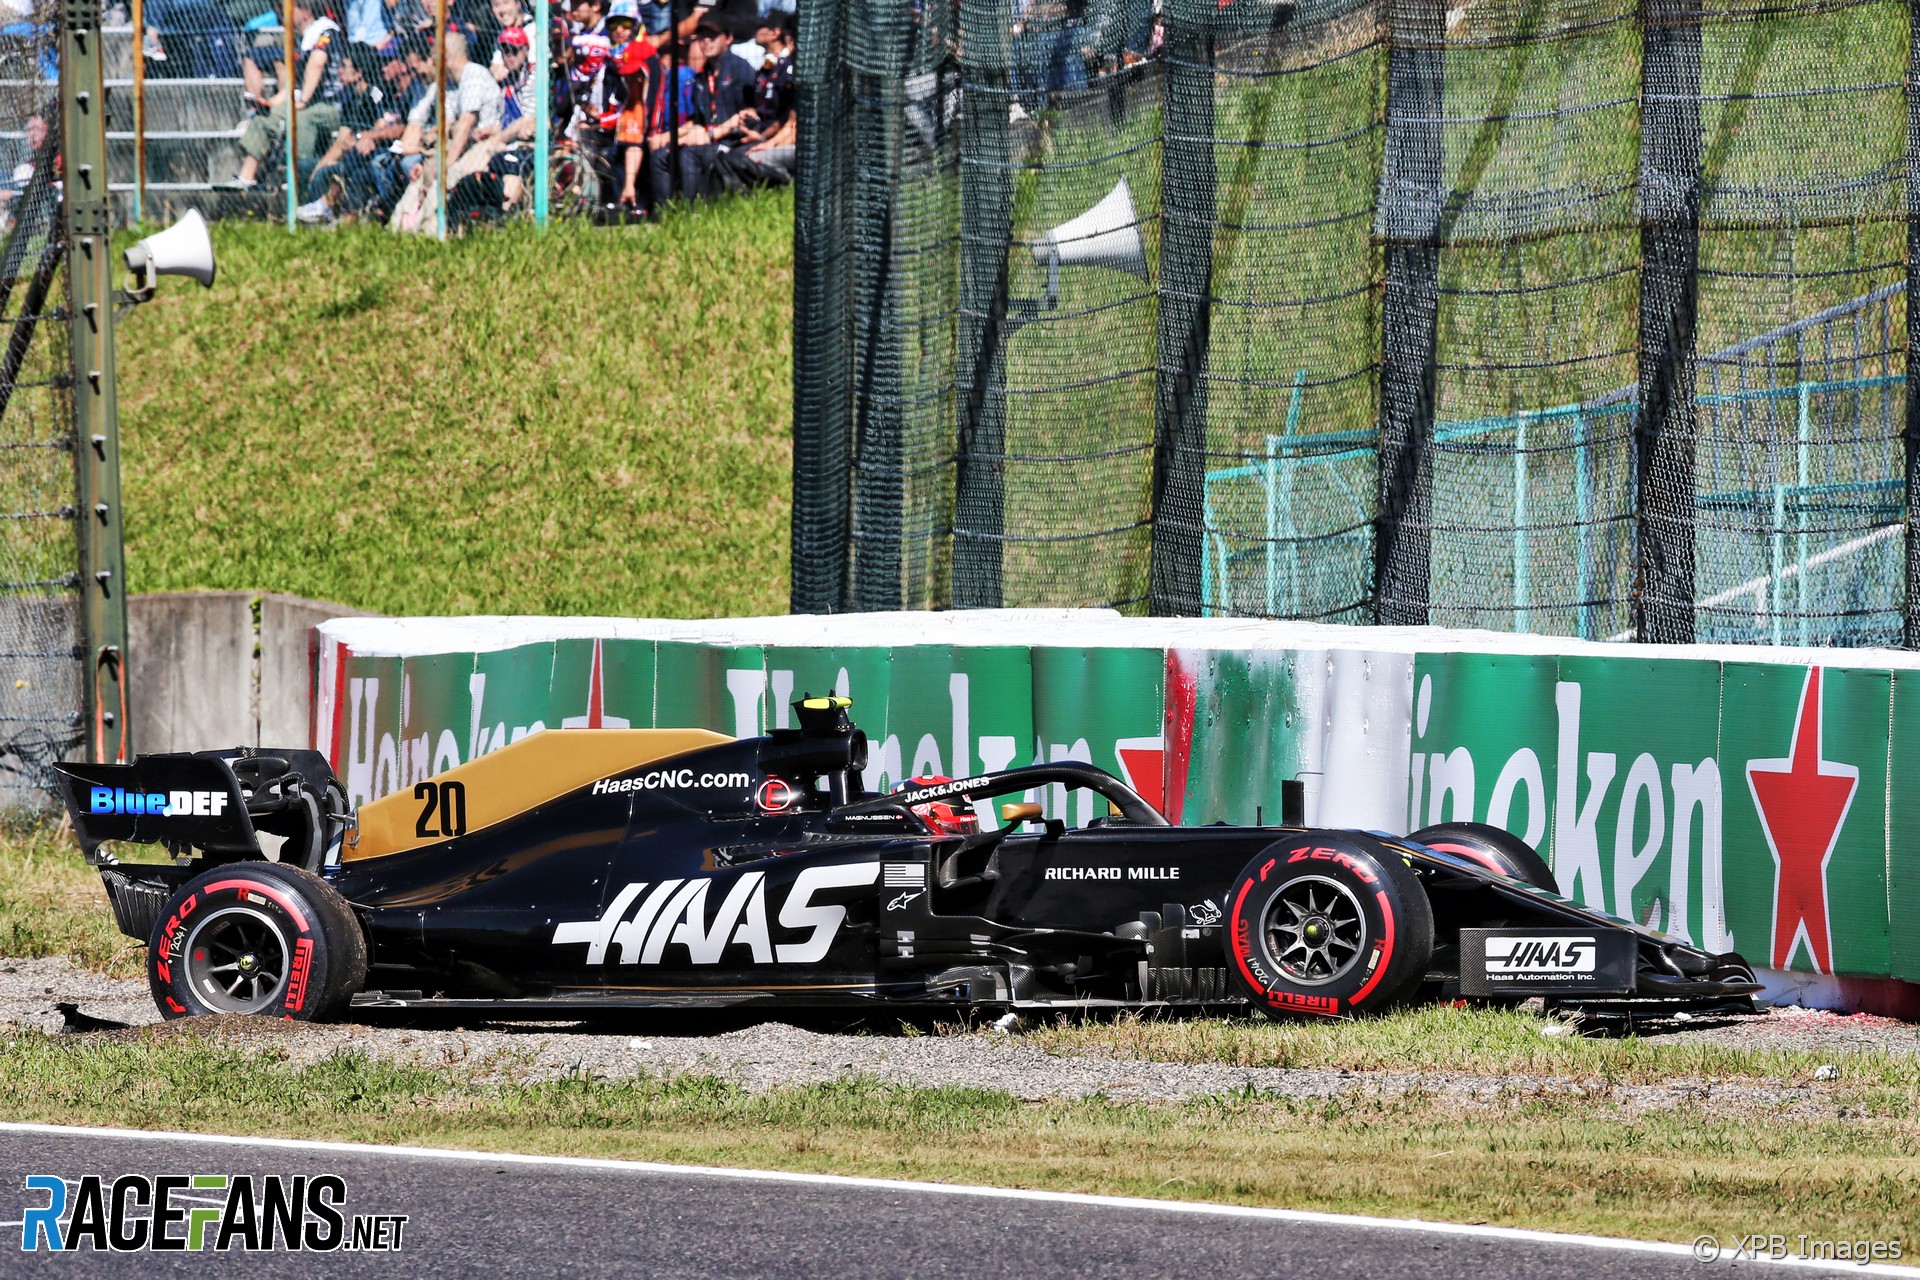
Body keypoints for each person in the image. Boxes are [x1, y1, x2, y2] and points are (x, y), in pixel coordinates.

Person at [220, 0, 345, 190]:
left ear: (305, 12)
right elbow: (294, 85)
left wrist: (302, 101)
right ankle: (246, 178)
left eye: (289, 8)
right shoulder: (300, 39)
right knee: (265, 119)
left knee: (301, 118)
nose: (283, 13)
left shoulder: (325, 31)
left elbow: (317, 63)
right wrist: (271, 103)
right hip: (309, 102)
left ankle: (298, 178)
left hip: (331, 104)